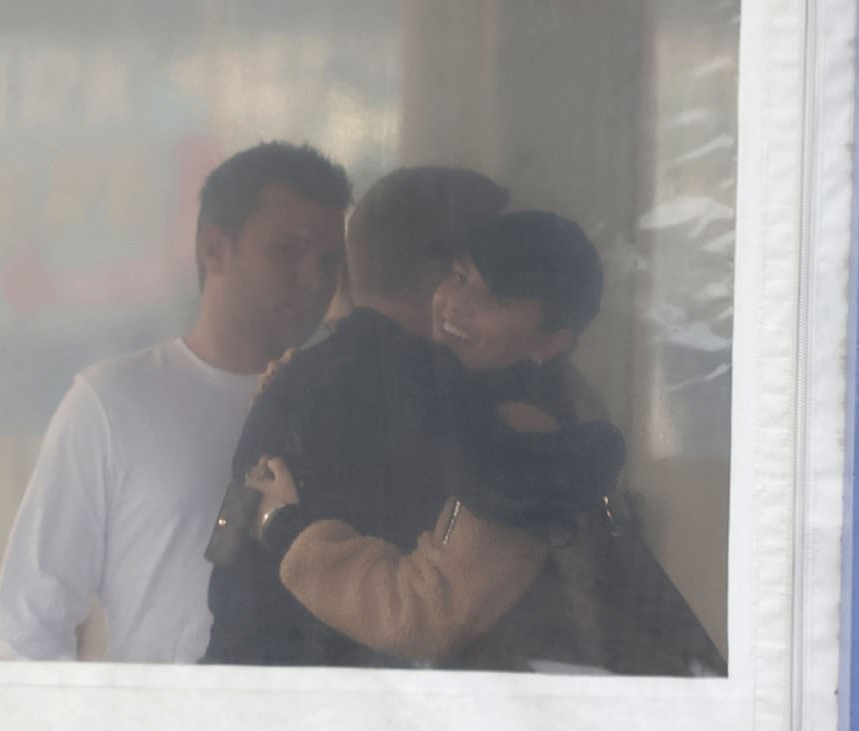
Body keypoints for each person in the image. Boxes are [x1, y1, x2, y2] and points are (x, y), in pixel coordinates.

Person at [0, 141, 351, 662]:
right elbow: (30, 625)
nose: (314, 278)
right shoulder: (113, 403)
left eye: (328, 259)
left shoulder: (347, 406)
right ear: (214, 249)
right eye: (287, 250)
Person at [226, 211, 629, 671]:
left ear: (549, 343)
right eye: (459, 276)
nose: (458, 302)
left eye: (494, 298)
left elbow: (423, 617)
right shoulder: (446, 387)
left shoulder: (523, 435)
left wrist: (285, 525)